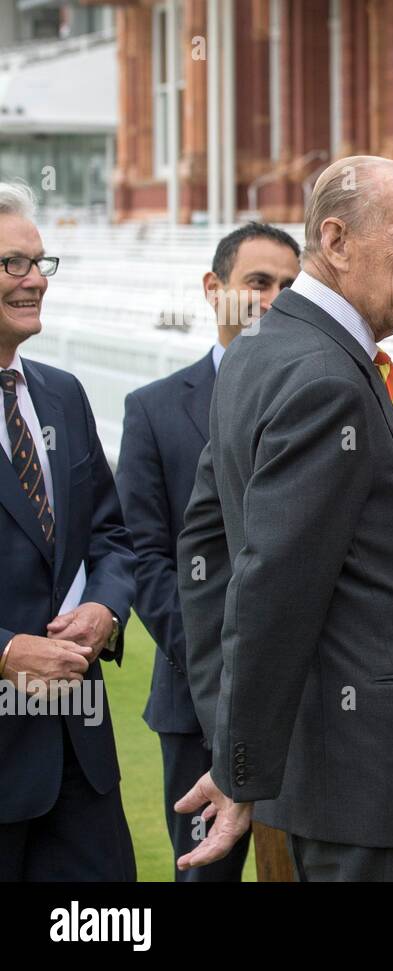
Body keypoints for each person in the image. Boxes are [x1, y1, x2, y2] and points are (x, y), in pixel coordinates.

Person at [175, 157, 393, 881]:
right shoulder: (326, 378)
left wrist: (234, 744)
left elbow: (208, 554)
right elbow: (271, 584)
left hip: (337, 783)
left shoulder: (255, 352)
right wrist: (241, 765)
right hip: (377, 785)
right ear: (336, 242)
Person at [116, 222, 300, 881]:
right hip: (194, 702)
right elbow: (144, 557)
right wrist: (218, 664)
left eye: (289, 285)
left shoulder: (326, 398)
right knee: (204, 873)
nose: (274, 299)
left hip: (311, 701)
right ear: (212, 288)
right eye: (258, 282)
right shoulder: (154, 409)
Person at [0, 180, 137, 880]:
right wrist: (4, 656)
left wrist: (105, 607)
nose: (33, 282)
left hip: (81, 757)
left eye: (39, 263)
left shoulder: (61, 393)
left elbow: (112, 536)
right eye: (12, 265)